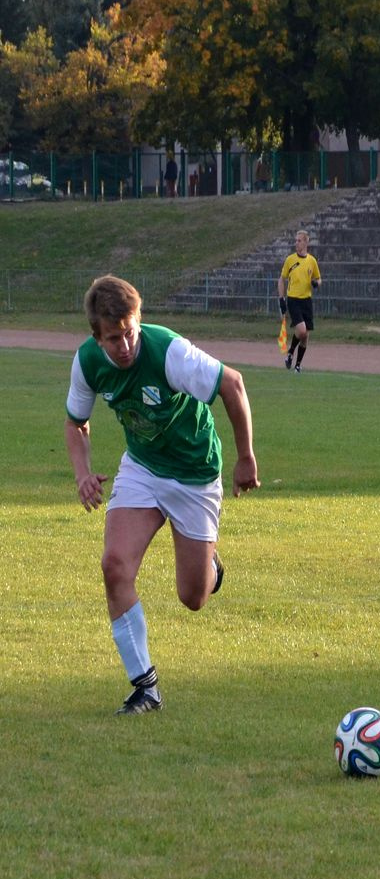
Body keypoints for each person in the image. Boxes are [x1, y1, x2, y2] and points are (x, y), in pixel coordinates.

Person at [65, 275, 260, 715]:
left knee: (193, 597)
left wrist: (246, 458)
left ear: (139, 321)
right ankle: (145, 687)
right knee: (114, 565)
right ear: (97, 337)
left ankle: (209, 566)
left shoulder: (169, 351)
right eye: (113, 338)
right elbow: (76, 422)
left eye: (130, 332)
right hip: (143, 467)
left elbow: (232, 384)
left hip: (194, 473)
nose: (125, 346)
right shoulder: (87, 362)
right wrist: (82, 474)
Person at [278, 229, 321, 373]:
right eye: (296, 241)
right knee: (302, 330)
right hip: (293, 300)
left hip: (306, 300)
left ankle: (297, 365)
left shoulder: (312, 261)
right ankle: (290, 352)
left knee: (305, 335)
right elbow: (281, 279)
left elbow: (319, 278)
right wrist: (281, 299)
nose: (296, 243)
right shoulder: (290, 260)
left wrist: (316, 283)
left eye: (299, 240)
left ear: (306, 242)